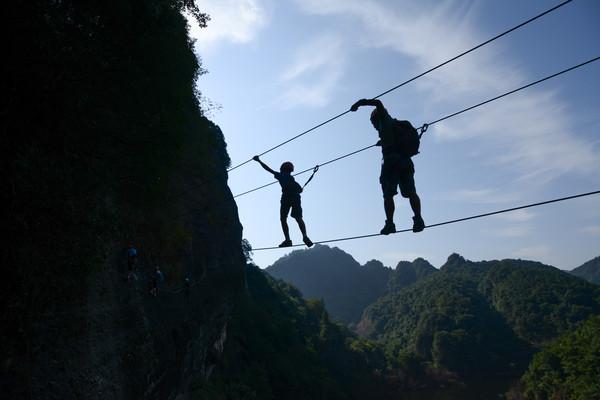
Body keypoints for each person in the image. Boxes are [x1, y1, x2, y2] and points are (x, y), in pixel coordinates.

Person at [350, 98, 425, 235]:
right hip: (406, 161)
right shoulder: (395, 126)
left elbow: (378, 103)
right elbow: (391, 138)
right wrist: (383, 142)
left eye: (373, 123)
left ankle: (390, 224)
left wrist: (359, 104)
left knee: (388, 195)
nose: (373, 126)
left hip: (391, 162)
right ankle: (418, 219)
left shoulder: (384, 118)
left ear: (376, 118)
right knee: (411, 192)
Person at [252, 156, 313, 248]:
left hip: (286, 198)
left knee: (283, 219)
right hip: (296, 198)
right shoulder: (293, 180)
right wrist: (300, 189)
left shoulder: (281, 175)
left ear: (283, 169)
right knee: (298, 218)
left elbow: (268, 169)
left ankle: (288, 240)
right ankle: (305, 236)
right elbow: (299, 189)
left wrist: (259, 161)